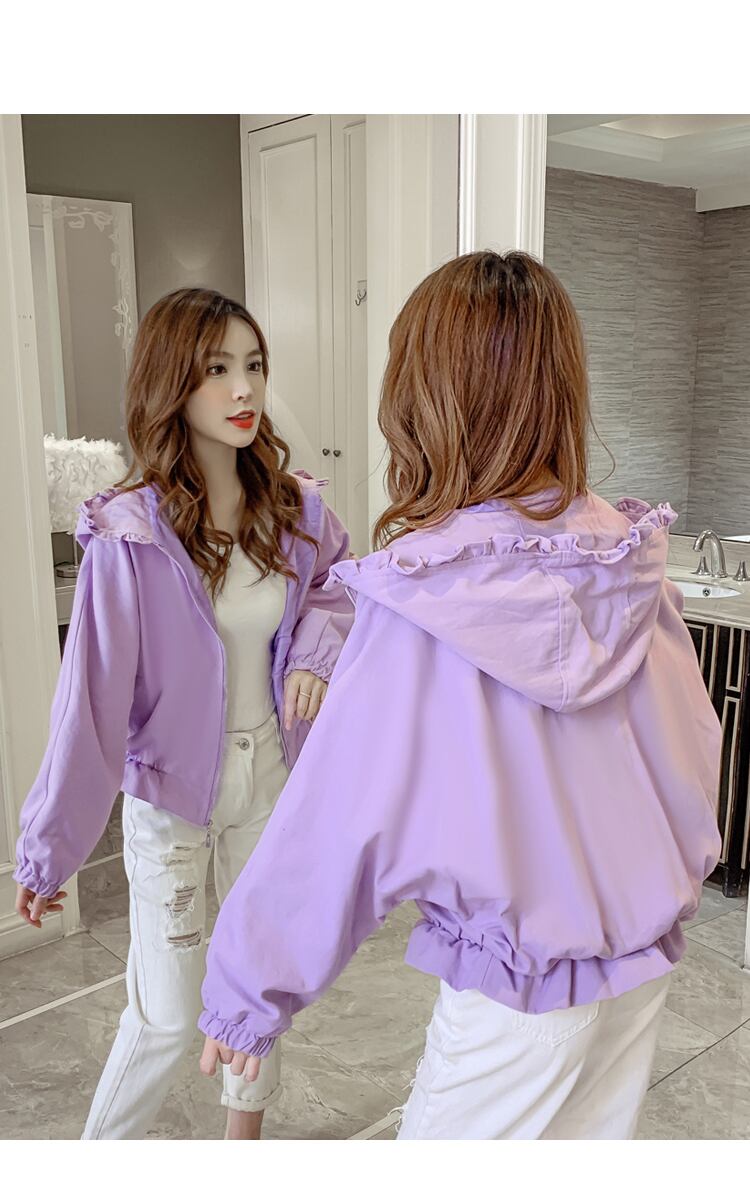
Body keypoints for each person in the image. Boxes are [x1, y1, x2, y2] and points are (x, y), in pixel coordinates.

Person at [198, 251, 722, 1139]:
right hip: (639, 970)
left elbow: (338, 815)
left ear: (423, 397)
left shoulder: (426, 599)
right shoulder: (628, 563)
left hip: (518, 1000)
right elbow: (692, 750)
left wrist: (251, 985)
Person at [14, 288, 354, 1140]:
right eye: (217, 369)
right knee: (167, 1016)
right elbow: (89, 704)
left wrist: (313, 653)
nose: (244, 389)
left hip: (271, 778)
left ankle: (244, 1145)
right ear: (174, 382)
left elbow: (341, 588)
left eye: (254, 366)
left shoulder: (296, 510)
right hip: (171, 798)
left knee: (257, 989)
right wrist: (49, 847)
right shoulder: (129, 536)